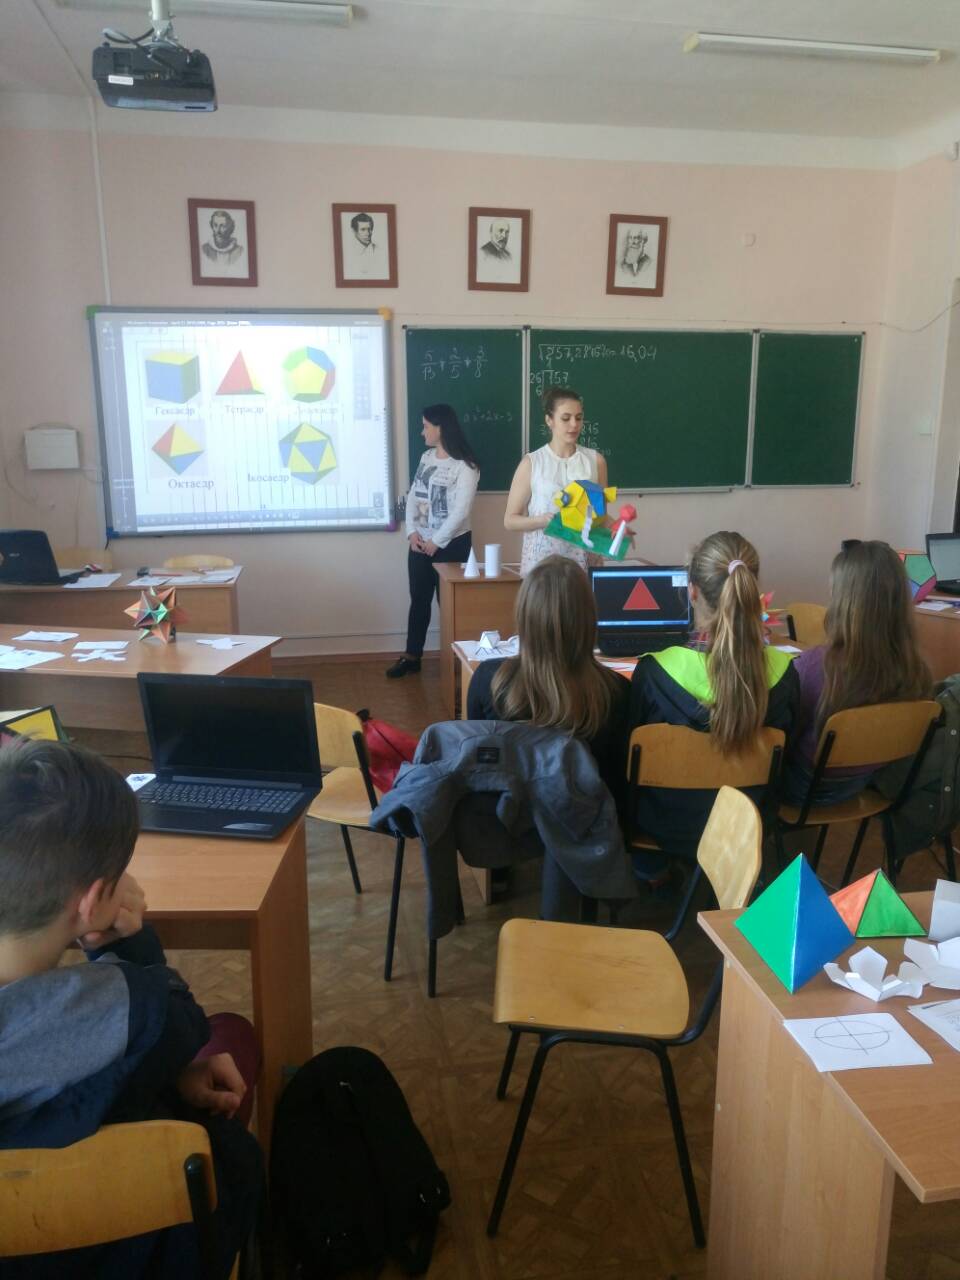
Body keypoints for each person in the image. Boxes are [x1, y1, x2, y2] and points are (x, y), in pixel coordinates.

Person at [0, 738, 261, 1279]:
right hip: (130, 1251)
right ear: (93, 901)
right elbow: (175, 1019)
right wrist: (123, 943)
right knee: (232, 1035)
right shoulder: (123, 1004)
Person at [629, 531, 800, 862]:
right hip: (747, 822)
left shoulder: (653, 673)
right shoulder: (784, 673)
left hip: (666, 823)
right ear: (751, 590)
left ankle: (651, 870)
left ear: (692, 591)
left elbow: (629, 759)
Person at [467, 554, 630, 807]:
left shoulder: (488, 680)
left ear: (524, 614)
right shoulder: (618, 692)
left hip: (506, 823)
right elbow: (619, 784)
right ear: (589, 617)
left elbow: (477, 768)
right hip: (587, 825)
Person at [783, 540, 932, 804]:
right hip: (863, 787)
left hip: (801, 789)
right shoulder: (917, 670)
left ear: (842, 600)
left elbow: (786, 734)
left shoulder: (814, 666)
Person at [387, 404, 480, 678]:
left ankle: (458, 663)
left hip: (452, 545)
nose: (422, 431)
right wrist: (412, 532)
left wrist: (437, 542)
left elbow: (461, 510)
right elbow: (415, 496)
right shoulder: (426, 457)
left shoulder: (466, 466)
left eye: (426, 426)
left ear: (441, 428)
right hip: (420, 542)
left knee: (451, 605)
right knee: (419, 600)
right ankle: (412, 656)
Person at [505, 385, 608, 576]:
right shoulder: (532, 463)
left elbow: (599, 516)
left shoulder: (596, 461)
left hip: (584, 567)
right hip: (542, 568)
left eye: (579, 418)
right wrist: (542, 520)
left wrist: (619, 528)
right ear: (549, 420)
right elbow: (510, 520)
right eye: (566, 418)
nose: (574, 425)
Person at [200, 209, 245, 274]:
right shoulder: (205, 249)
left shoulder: (239, 251)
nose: (218, 230)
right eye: (215, 225)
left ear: (230, 226)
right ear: (212, 226)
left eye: (222, 226)